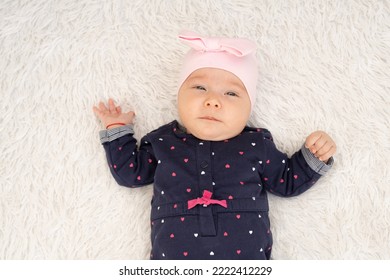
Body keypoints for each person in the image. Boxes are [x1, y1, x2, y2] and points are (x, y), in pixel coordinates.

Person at [92, 31, 336, 260]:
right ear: (179, 96)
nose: (212, 101)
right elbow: (129, 173)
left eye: (231, 94)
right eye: (199, 88)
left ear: (248, 108)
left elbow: (287, 181)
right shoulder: (163, 142)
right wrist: (117, 130)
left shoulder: (256, 144)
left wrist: (313, 156)